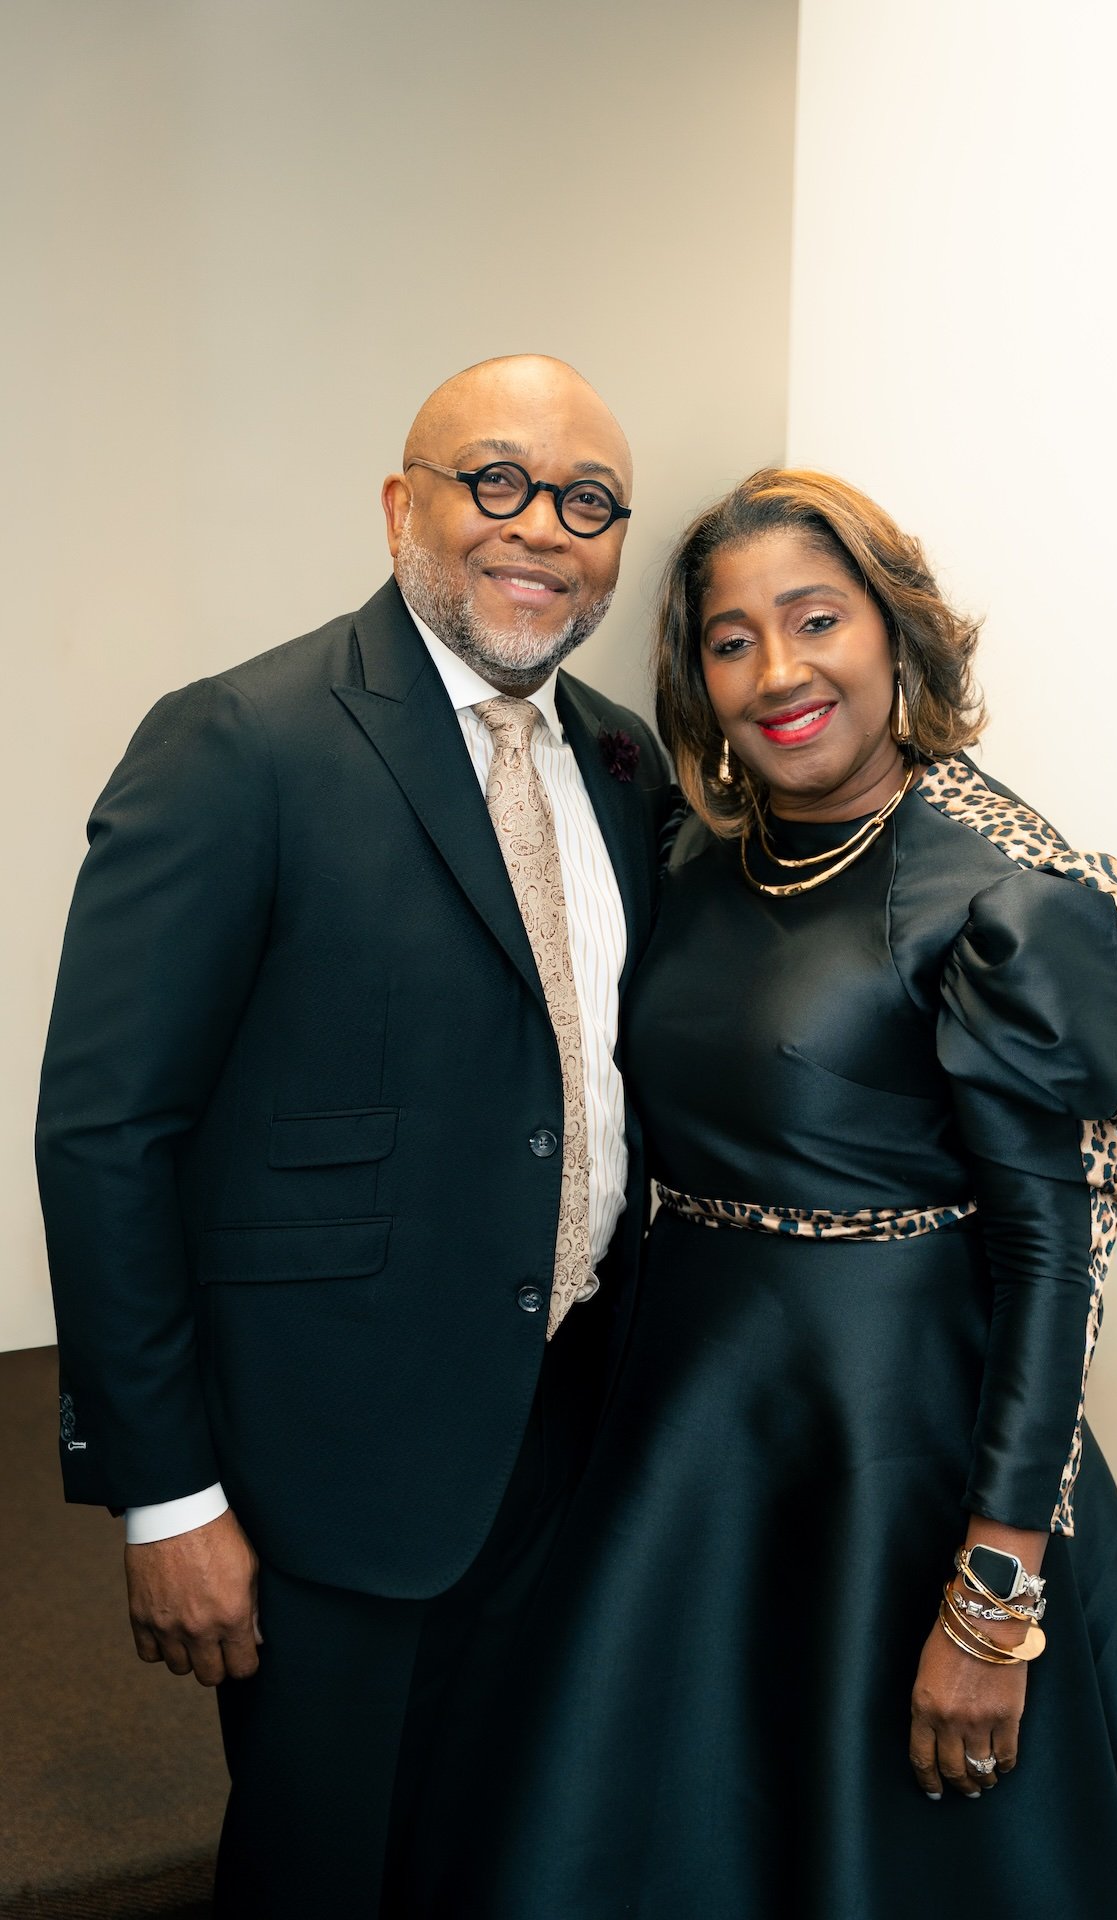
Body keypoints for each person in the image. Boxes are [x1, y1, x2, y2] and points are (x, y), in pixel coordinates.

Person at [416, 468, 1117, 1918]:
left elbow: (1059, 1260)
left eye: (817, 619)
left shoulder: (995, 895)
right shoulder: (695, 855)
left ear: (895, 634)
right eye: (732, 640)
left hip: (899, 1475)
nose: (779, 671)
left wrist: (993, 1610)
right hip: (677, 1447)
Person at [34, 354, 675, 1918]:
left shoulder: (624, 763)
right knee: (325, 1872)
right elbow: (106, 1131)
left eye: (588, 502)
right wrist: (165, 1495)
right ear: (405, 504)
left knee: (511, 1848)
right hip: (326, 1476)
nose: (542, 528)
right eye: (497, 481)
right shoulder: (237, 743)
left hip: (575, 1443)